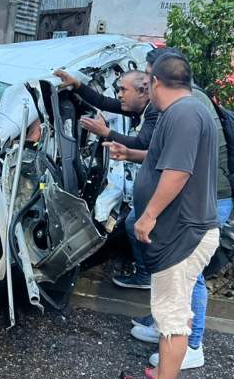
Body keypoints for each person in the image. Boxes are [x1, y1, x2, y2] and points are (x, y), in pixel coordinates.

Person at [112, 54, 219, 379]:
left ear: (155, 83)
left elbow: (176, 172)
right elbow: (162, 158)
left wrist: (149, 214)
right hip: (184, 230)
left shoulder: (183, 114)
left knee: (172, 316)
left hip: (181, 231)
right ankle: (163, 376)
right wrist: (130, 152)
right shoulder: (190, 111)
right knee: (168, 311)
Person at [54, 68, 160, 289]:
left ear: (143, 91)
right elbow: (103, 102)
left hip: (165, 190)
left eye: (123, 89)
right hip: (152, 187)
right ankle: (148, 274)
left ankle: (151, 276)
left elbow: (142, 144)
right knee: (133, 224)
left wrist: (106, 133)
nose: (119, 95)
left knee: (139, 227)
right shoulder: (140, 107)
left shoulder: (154, 112)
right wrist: (77, 84)